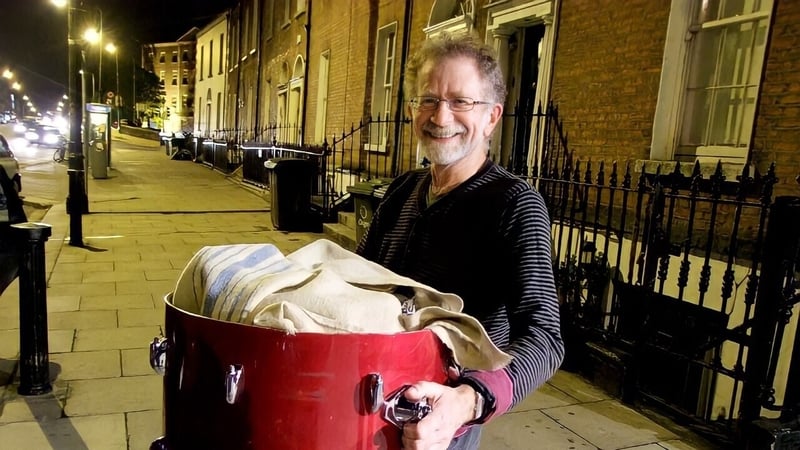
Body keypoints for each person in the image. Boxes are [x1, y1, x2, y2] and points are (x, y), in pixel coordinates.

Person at [357, 33, 564, 450]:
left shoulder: (515, 204)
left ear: (491, 117)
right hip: (365, 396)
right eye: (428, 100)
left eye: (461, 102)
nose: (441, 116)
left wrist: (467, 401)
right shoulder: (403, 190)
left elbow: (545, 336)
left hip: (438, 418)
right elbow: (356, 280)